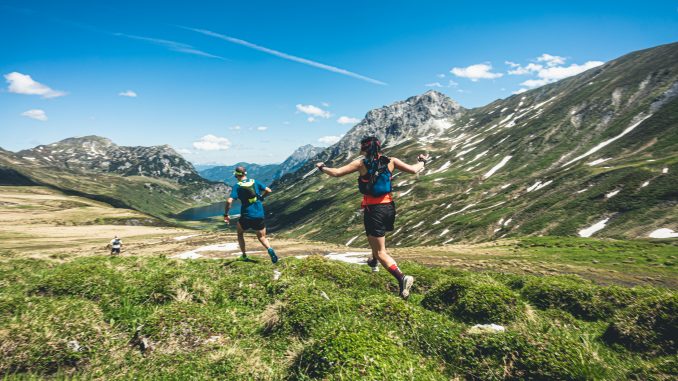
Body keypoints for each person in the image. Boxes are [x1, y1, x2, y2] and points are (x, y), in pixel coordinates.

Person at [315, 136, 429, 299]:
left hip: (374, 210)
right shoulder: (391, 161)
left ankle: (402, 278)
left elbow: (336, 173)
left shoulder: (361, 164)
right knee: (376, 240)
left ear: (364, 149)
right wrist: (422, 161)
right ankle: (374, 261)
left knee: (381, 251)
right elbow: (414, 169)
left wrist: (322, 167)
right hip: (389, 207)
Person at [224, 166, 278, 263]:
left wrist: (226, 214)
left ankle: (244, 255)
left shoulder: (237, 186)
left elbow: (229, 201)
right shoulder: (255, 182)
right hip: (259, 214)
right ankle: (270, 249)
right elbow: (269, 190)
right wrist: (261, 197)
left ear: (236, 175)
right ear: (246, 173)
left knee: (240, 233)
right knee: (262, 237)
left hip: (246, 215)